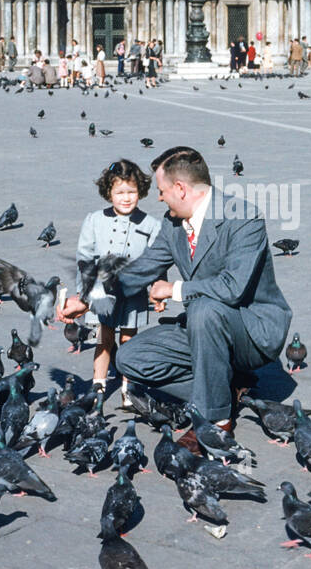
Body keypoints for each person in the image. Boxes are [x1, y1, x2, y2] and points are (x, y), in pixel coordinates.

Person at [59, 146, 292, 425]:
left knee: (205, 309)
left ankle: (216, 422)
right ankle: (224, 389)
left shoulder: (243, 217)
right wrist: (86, 299)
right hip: (201, 325)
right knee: (130, 359)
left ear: (180, 188)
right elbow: (138, 271)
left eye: (161, 190)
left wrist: (174, 290)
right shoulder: (172, 224)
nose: (158, 197)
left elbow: (232, 287)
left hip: (251, 331)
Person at [73, 159, 162, 400]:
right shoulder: (94, 219)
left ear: (140, 192)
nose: (126, 198)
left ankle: (127, 387)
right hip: (102, 293)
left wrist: (158, 290)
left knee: (129, 339)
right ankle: (98, 384)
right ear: (108, 192)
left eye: (131, 192)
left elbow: (157, 262)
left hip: (133, 294)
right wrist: (84, 294)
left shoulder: (152, 224)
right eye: (119, 192)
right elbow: (85, 258)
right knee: (104, 338)